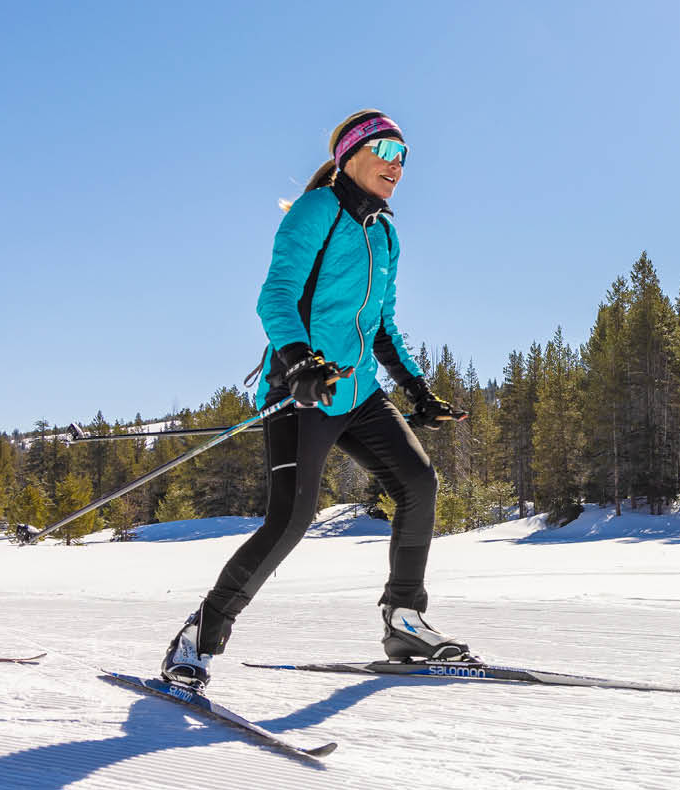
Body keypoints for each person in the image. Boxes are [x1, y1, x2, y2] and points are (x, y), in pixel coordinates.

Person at [161, 110, 468, 690]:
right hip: (300, 393)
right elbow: (275, 297)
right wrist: (301, 362)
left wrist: (418, 389)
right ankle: (198, 639)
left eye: (404, 156)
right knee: (290, 520)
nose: (397, 165)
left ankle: (404, 620)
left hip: (358, 393)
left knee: (418, 483)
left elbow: (382, 325)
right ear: (349, 154)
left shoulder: (384, 233)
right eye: (385, 151)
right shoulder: (316, 211)